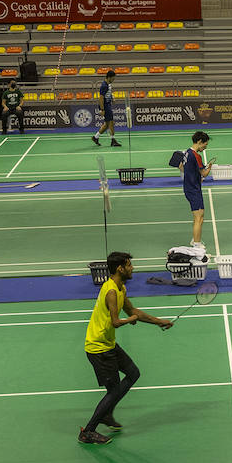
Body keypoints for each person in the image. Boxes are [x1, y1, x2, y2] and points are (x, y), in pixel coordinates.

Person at [80, 251, 174, 445]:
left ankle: (106, 414)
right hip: (98, 348)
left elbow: (133, 311)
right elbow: (116, 322)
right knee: (113, 391)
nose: (132, 268)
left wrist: (158, 322)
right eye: (129, 265)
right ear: (120, 268)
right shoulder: (112, 292)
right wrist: (130, 320)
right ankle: (88, 431)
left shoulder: (120, 287)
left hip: (108, 344)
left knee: (133, 373)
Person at [182, 130, 212, 248]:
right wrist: (209, 167)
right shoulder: (196, 156)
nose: (205, 147)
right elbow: (204, 173)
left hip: (188, 187)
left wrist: (193, 176)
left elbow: (181, 167)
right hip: (194, 189)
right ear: (199, 142)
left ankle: (196, 238)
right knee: (199, 217)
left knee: (199, 217)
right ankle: (197, 245)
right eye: (205, 144)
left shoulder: (187, 153)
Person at [92, 69, 121, 147]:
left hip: (108, 104)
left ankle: (95, 137)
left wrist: (112, 98)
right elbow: (101, 98)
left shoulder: (109, 84)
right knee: (111, 122)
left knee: (107, 124)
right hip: (105, 105)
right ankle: (113, 140)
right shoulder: (104, 86)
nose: (113, 80)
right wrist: (102, 109)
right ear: (109, 77)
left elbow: (109, 93)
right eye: (113, 78)